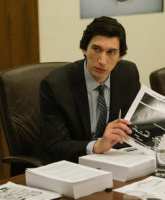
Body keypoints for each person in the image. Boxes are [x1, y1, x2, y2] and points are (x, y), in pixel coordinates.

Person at [33, 16, 140, 163]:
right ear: (84, 49)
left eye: (111, 52)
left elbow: (135, 123)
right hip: (69, 164)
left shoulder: (129, 73)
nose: (102, 61)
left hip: (113, 161)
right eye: (96, 49)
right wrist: (97, 145)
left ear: (121, 56)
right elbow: (56, 146)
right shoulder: (55, 85)